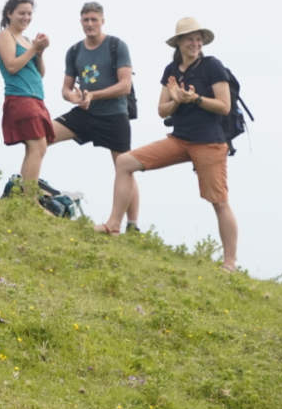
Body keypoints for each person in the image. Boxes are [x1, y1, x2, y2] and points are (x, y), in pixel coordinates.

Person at [96, 17, 239, 272]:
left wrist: (195, 99)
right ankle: (113, 226)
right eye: (189, 39)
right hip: (179, 139)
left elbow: (224, 106)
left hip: (209, 143)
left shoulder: (212, 66)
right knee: (125, 162)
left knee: (219, 201)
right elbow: (162, 110)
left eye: (198, 39)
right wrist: (177, 101)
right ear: (179, 43)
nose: (195, 43)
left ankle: (230, 263)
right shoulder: (171, 70)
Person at [48, 1, 140, 229]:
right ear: (80, 22)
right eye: (86, 20)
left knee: (125, 166)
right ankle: (28, 194)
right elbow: (66, 89)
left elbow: (125, 85)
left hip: (114, 115)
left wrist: (94, 95)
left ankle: (128, 225)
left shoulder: (117, 46)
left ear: (102, 21)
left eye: (94, 20)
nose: (90, 24)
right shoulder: (74, 51)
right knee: (42, 133)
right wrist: (74, 97)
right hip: (85, 113)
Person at [0, 0, 53, 193]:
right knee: (38, 146)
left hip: (36, 97)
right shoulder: (5, 36)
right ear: (9, 13)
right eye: (21, 13)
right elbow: (11, 66)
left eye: (29, 13)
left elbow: (40, 73)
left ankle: (24, 195)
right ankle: (30, 198)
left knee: (35, 148)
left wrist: (39, 52)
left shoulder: (27, 39)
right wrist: (33, 49)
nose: (26, 17)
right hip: (20, 97)